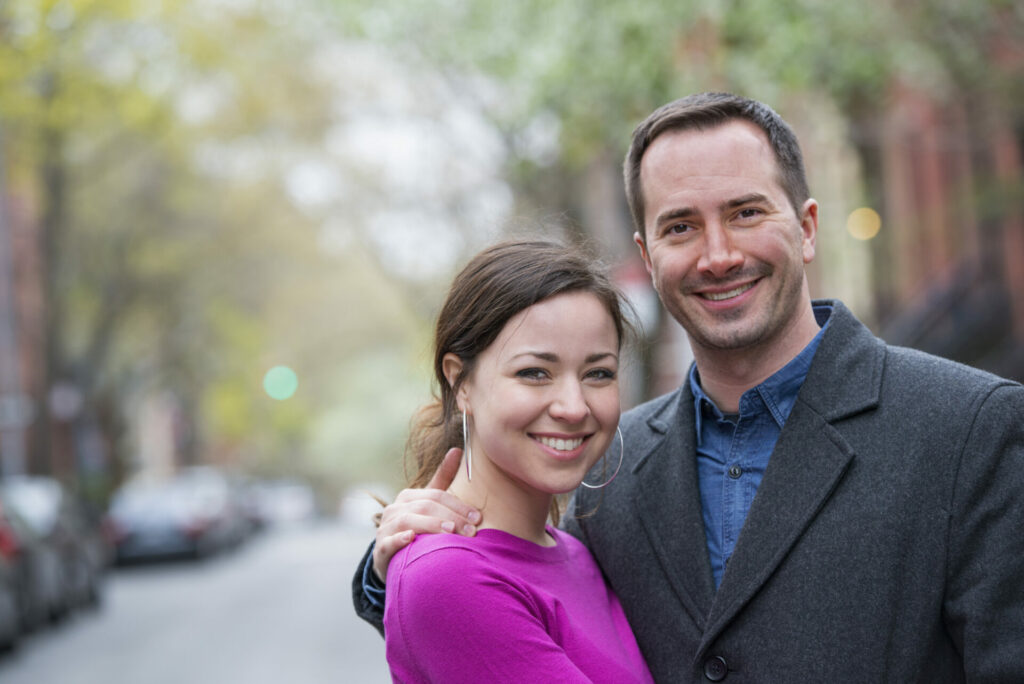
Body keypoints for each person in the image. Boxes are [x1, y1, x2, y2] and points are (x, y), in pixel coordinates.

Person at [354, 93, 1024, 682]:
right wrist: (389, 573)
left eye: (746, 212)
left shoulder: (971, 430)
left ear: (808, 228)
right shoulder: (605, 467)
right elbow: (500, 622)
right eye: (681, 226)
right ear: (648, 257)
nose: (718, 253)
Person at [378, 240, 654, 683]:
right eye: (534, 373)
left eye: (598, 373)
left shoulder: (577, 554)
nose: (574, 406)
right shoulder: (447, 577)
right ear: (460, 382)